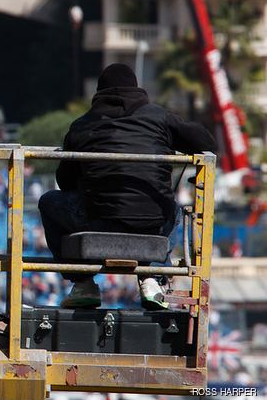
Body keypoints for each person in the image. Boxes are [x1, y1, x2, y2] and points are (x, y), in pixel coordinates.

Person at [38, 63, 216, 310]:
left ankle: (83, 283)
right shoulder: (160, 117)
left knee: (48, 201)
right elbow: (207, 142)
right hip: (154, 223)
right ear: (137, 89)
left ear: (99, 93)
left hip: (98, 221)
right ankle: (152, 278)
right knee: (175, 209)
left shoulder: (82, 125)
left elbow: (64, 182)